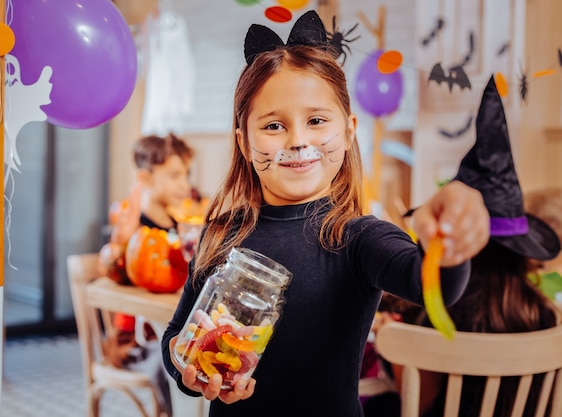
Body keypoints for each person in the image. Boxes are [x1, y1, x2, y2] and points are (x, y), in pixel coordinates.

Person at [161, 11, 489, 417]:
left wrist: (449, 246)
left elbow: (430, 283)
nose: (298, 141)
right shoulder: (221, 233)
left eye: (316, 120)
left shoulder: (359, 238)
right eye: (274, 126)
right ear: (244, 141)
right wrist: (185, 364)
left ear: (349, 130)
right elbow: (178, 333)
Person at [370, 77, 562, 417]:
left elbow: (419, 401)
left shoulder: (431, 313)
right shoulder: (546, 316)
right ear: (523, 252)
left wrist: (392, 340)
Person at [103, 132, 195, 417]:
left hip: (167, 327)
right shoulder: (133, 227)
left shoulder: (180, 227)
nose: (185, 185)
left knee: (194, 356)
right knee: (167, 360)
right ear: (144, 179)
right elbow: (114, 268)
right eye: (174, 176)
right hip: (136, 342)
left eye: (186, 175)